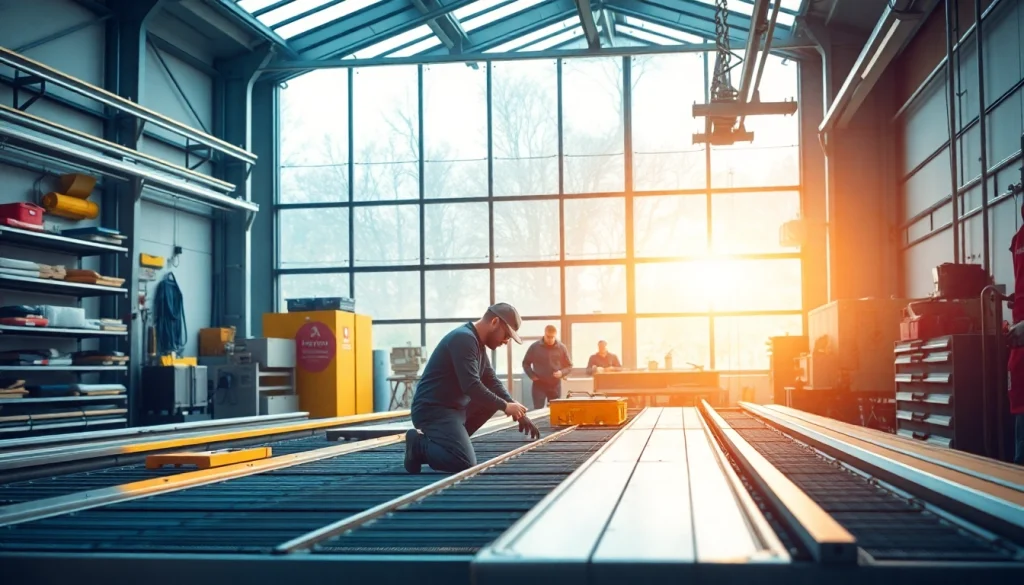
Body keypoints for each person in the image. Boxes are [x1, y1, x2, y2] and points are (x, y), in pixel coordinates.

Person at [404, 302, 539, 474]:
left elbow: (491, 380)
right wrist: (506, 406)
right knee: (463, 461)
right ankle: (419, 446)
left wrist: (515, 408)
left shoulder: (477, 344)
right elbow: (471, 386)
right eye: (506, 335)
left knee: (491, 402)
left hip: (454, 409)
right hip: (434, 410)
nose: (506, 341)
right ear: (495, 322)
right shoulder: (463, 339)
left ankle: (450, 442)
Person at [522, 324, 573, 409]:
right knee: (538, 411)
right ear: (544, 334)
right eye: (548, 336)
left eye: (552, 337)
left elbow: (569, 366)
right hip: (539, 384)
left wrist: (561, 373)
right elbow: (525, 363)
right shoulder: (534, 347)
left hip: (555, 384)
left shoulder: (561, 348)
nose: (550, 339)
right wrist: (532, 376)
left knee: (554, 411)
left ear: (555, 336)